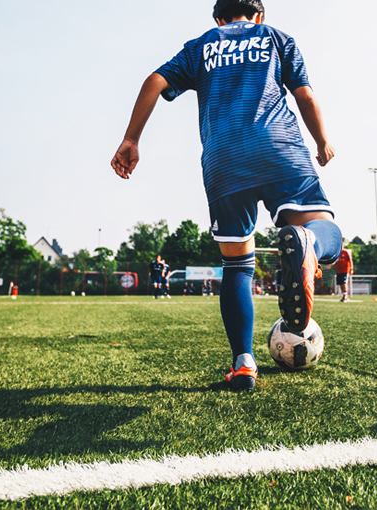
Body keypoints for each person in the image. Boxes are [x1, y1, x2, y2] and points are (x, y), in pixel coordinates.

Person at [111, 0, 342, 390]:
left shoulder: (201, 45)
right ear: (259, 15)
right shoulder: (276, 38)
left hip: (223, 157)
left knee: (237, 266)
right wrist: (321, 140)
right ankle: (308, 244)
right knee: (325, 230)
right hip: (278, 145)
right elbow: (303, 94)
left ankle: (243, 363)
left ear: (219, 18)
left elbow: (154, 81)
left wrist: (131, 138)